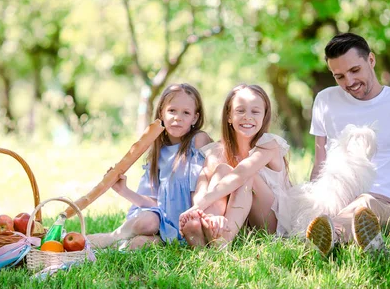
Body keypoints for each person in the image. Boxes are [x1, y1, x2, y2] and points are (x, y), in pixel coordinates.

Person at [306, 32, 390, 256]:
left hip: (383, 204)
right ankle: (362, 242)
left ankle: (330, 237)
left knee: (364, 204)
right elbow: (320, 163)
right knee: (326, 210)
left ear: (371, 60)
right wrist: (312, 206)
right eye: (339, 76)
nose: (349, 82)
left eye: (355, 70)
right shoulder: (325, 101)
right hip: (336, 197)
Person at [87, 83, 212, 250]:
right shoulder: (158, 152)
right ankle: (112, 238)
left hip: (189, 224)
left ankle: (110, 241)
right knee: (148, 222)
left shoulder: (198, 141)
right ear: (161, 112)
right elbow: (155, 203)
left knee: (137, 245)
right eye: (172, 111)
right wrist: (123, 190)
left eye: (186, 113)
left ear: (195, 118)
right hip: (162, 223)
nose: (178, 117)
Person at [178, 84, 291, 248]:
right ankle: (210, 225)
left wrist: (198, 206)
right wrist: (199, 210)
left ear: (264, 117)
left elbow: (241, 174)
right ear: (229, 116)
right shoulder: (218, 150)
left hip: (271, 221)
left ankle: (221, 242)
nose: (247, 117)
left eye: (255, 111)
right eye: (240, 110)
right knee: (222, 169)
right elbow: (202, 182)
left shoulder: (268, 145)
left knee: (246, 175)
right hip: (242, 223)